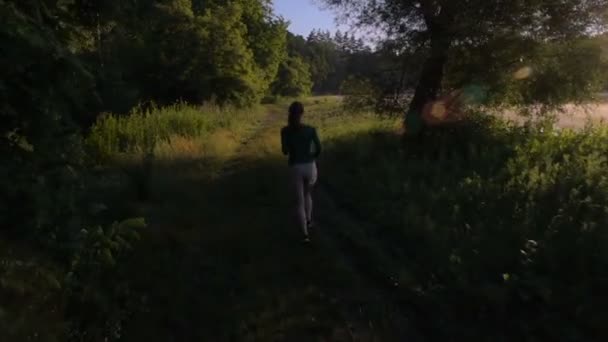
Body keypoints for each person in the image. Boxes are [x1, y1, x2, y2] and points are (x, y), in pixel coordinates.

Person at [281, 101, 321, 243]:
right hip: (309, 165)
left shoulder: (285, 130)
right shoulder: (311, 130)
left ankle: (305, 235)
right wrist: (311, 157)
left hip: (295, 167)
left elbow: (285, 151)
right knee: (308, 194)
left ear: (290, 113)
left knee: (299, 201)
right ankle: (309, 221)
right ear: (302, 113)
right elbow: (318, 149)